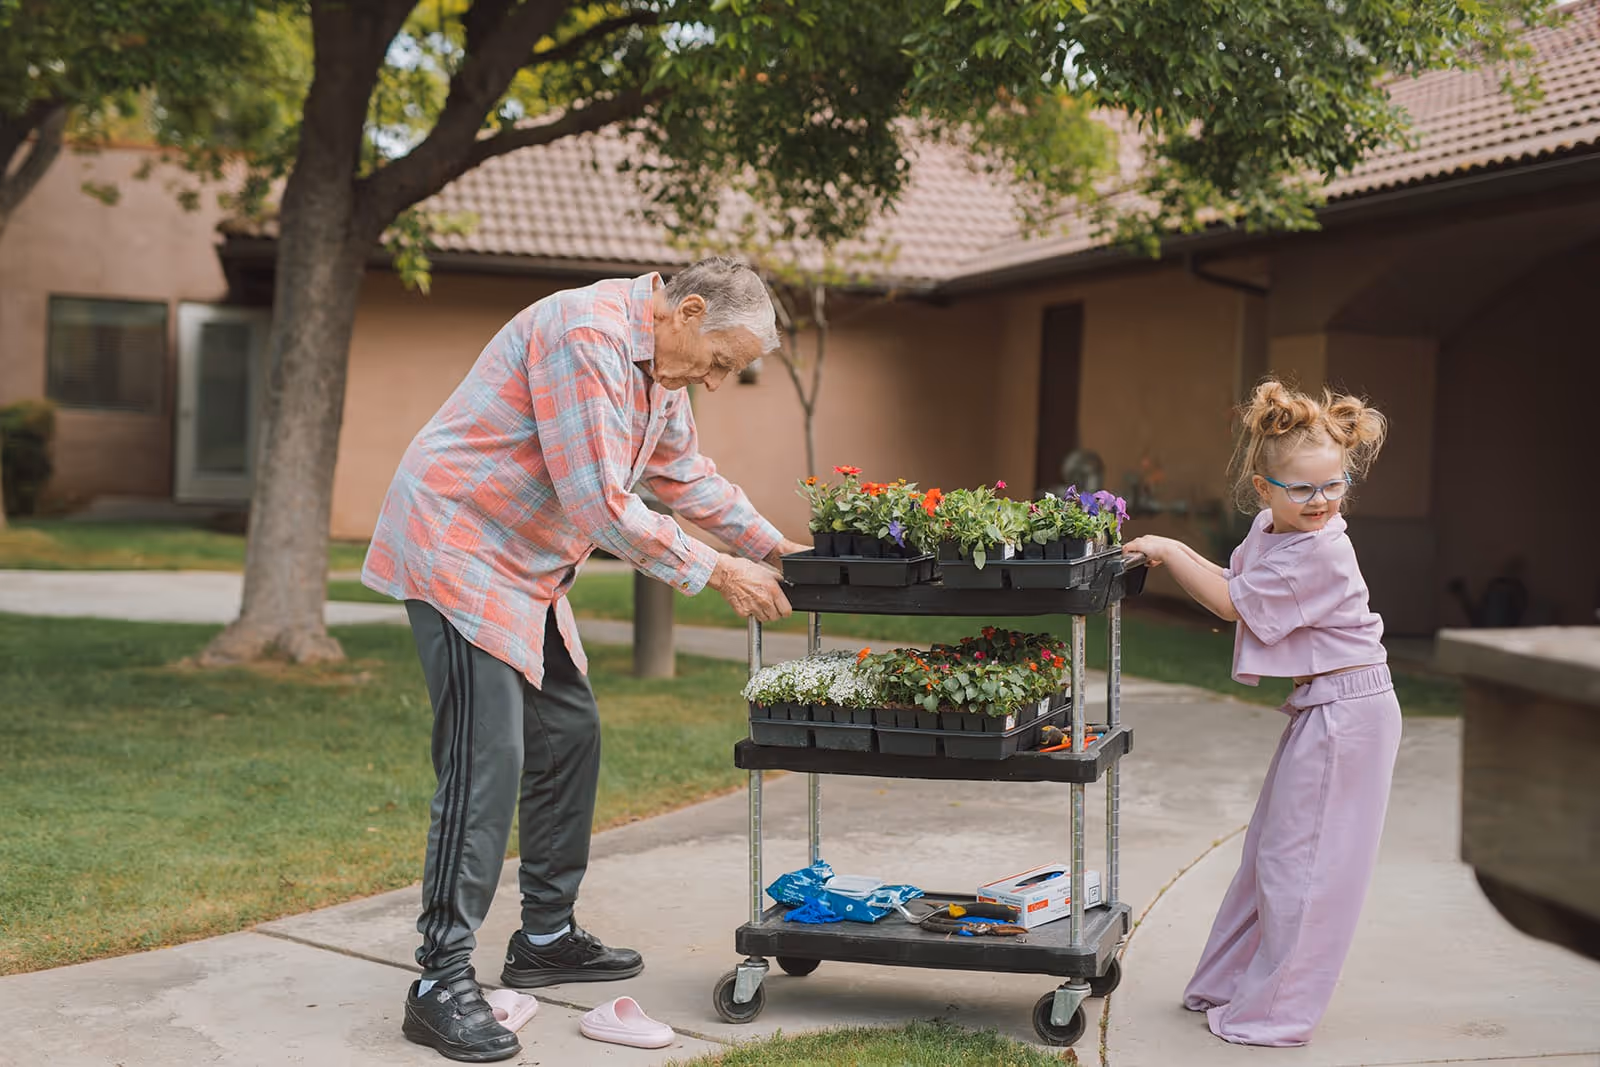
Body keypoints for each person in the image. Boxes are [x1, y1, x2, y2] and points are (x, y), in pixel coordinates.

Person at [361, 257, 806, 1062]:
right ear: (688, 310)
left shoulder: (660, 366)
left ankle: (545, 936)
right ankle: (438, 977)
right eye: (719, 361)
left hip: (525, 565)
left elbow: (683, 475)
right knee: (485, 756)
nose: (714, 381)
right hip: (459, 544)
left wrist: (780, 549)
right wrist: (720, 569)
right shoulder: (586, 336)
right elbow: (599, 502)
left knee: (568, 732)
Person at [1122, 378, 1397, 1047]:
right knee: (1270, 855)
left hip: (1350, 713)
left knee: (1305, 867)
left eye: (1333, 485)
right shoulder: (1273, 529)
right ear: (1263, 487)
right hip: (1324, 709)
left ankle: (1277, 1011)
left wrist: (1163, 548)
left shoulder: (1325, 546)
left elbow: (1229, 603)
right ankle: (1228, 983)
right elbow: (1236, 580)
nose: (1321, 501)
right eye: (1301, 488)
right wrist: (1172, 550)